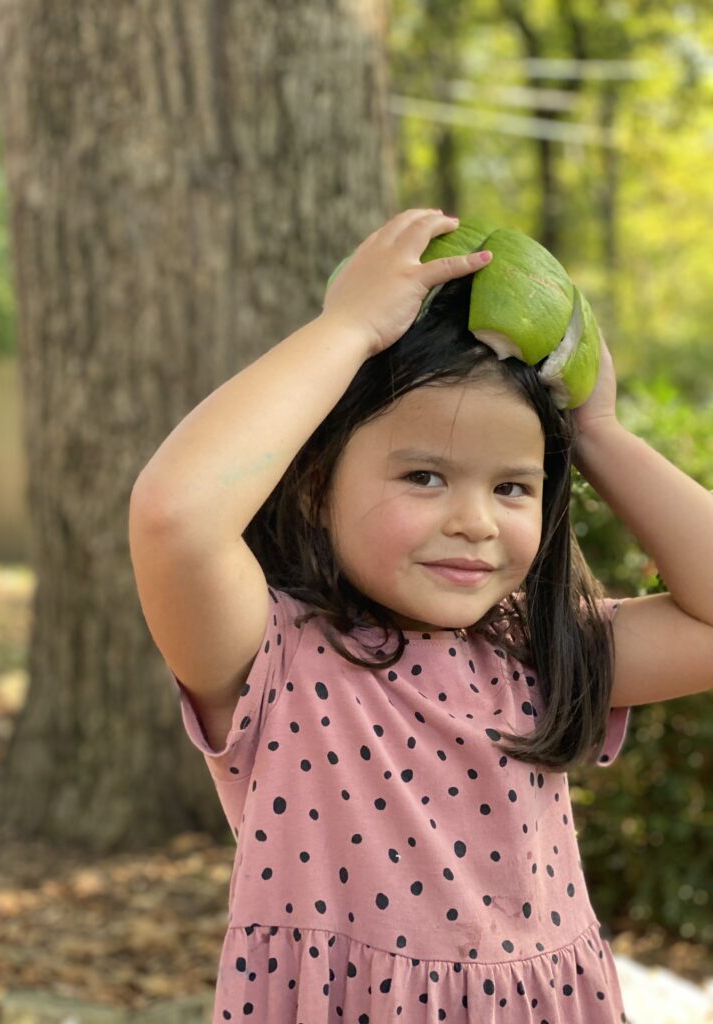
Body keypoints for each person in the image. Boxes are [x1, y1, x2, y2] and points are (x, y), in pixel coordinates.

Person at [128, 209, 713, 1023]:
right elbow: (174, 516)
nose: (475, 520)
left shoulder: (541, 650)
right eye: (426, 478)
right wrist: (349, 330)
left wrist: (599, 432)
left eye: (512, 487)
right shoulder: (276, 660)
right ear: (311, 487)